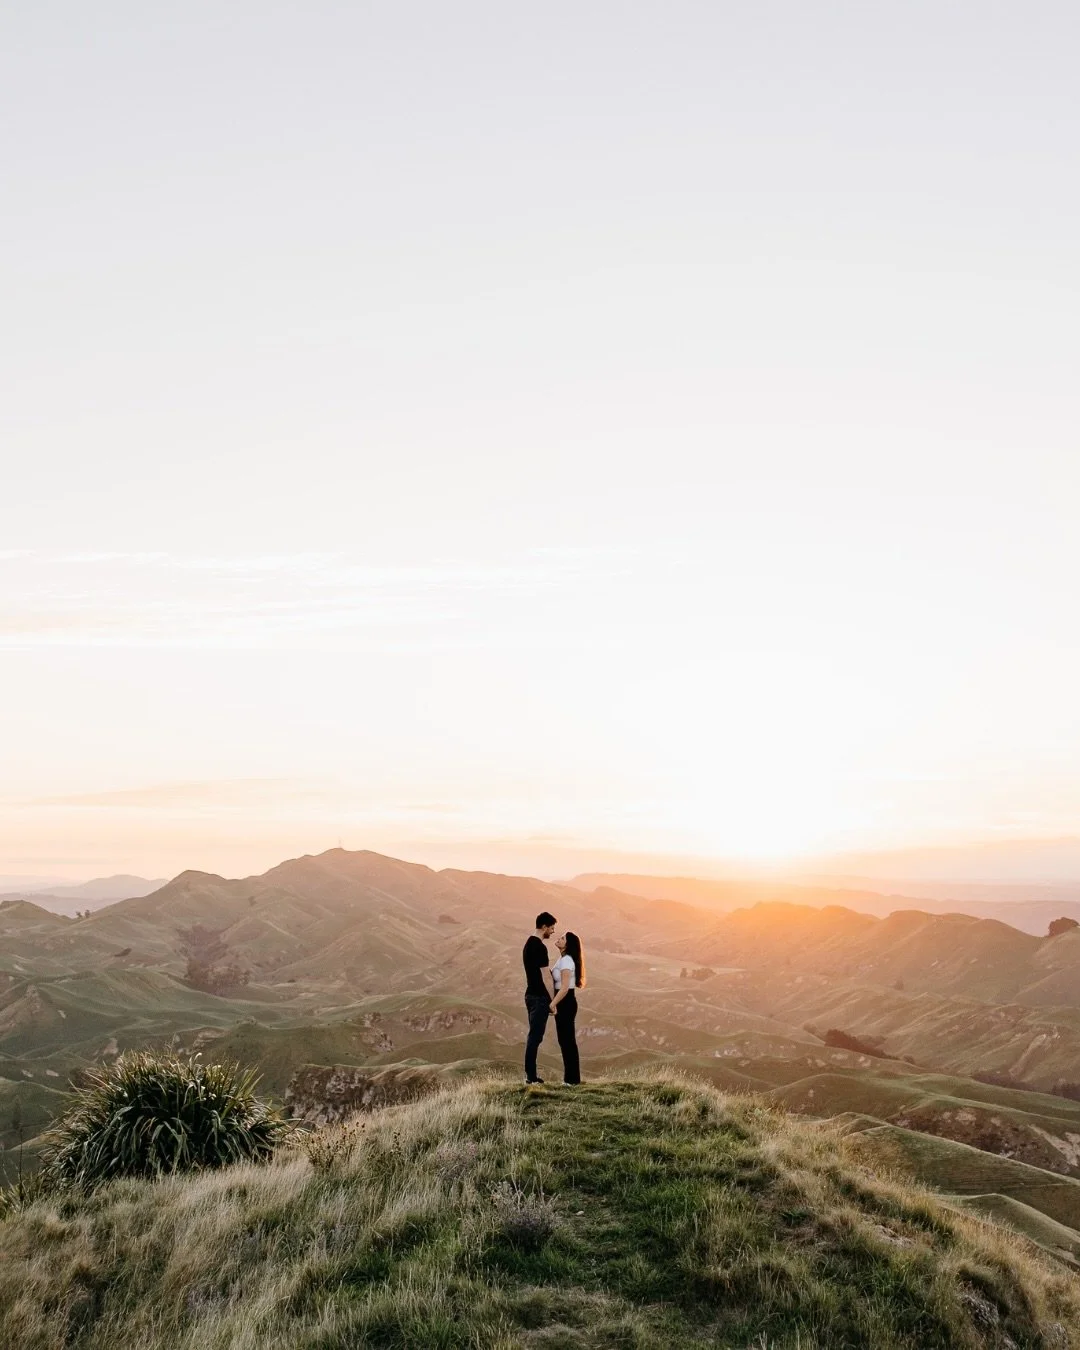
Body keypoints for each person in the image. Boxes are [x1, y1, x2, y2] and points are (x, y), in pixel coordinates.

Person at [523, 911, 557, 1084]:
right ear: (544, 927)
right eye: (551, 928)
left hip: (529, 995)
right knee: (535, 1038)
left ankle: (531, 1076)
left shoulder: (528, 944)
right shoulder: (540, 947)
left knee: (533, 1037)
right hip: (538, 997)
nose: (552, 932)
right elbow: (546, 976)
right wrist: (553, 1001)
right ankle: (530, 1078)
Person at [550, 930, 585, 1086]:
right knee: (565, 1040)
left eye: (562, 938)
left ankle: (571, 1080)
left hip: (565, 1001)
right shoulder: (563, 959)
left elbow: (564, 988)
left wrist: (553, 1004)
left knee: (567, 1041)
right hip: (565, 1001)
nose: (559, 938)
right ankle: (571, 1079)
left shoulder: (567, 961)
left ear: (568, 944)